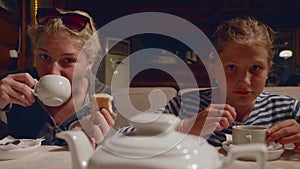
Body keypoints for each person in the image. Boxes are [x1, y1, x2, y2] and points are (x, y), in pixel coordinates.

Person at [163, 16, 300, 152]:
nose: (245, 81)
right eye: (232, 68)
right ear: (213, 69)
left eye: (256, 68)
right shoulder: (184, 105)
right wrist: (185, 129)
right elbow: (143, 135)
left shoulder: (289, 108)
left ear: (268, 70)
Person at [0, 8, 115, 146]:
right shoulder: (15, 86)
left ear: (90, 63)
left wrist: (106, 145)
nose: (53, 72)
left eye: (68, 60)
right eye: (44, 57)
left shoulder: (105, 100)